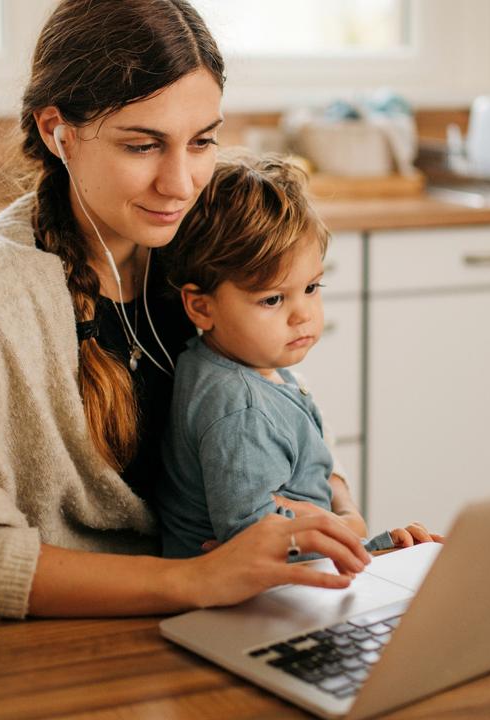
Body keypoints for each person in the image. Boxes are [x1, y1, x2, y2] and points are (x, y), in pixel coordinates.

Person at [0, 0, 377, 624]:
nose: (180, 183)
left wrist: (342, 515)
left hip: (230, 622)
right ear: (58, 132)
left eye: (202, 141)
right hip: (78, 653)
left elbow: (271, 410)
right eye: (143, 145)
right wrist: (192, 581)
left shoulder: (198, 231)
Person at [157, 154, 440, 560]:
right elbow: (255, 542)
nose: (303, 314)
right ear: (202, 307)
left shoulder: (246, 366)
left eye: (311, 287)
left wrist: (343, 516)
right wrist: (365, 543)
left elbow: (303, 490)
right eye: (272, 299)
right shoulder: (241, 406)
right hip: (256, 602)